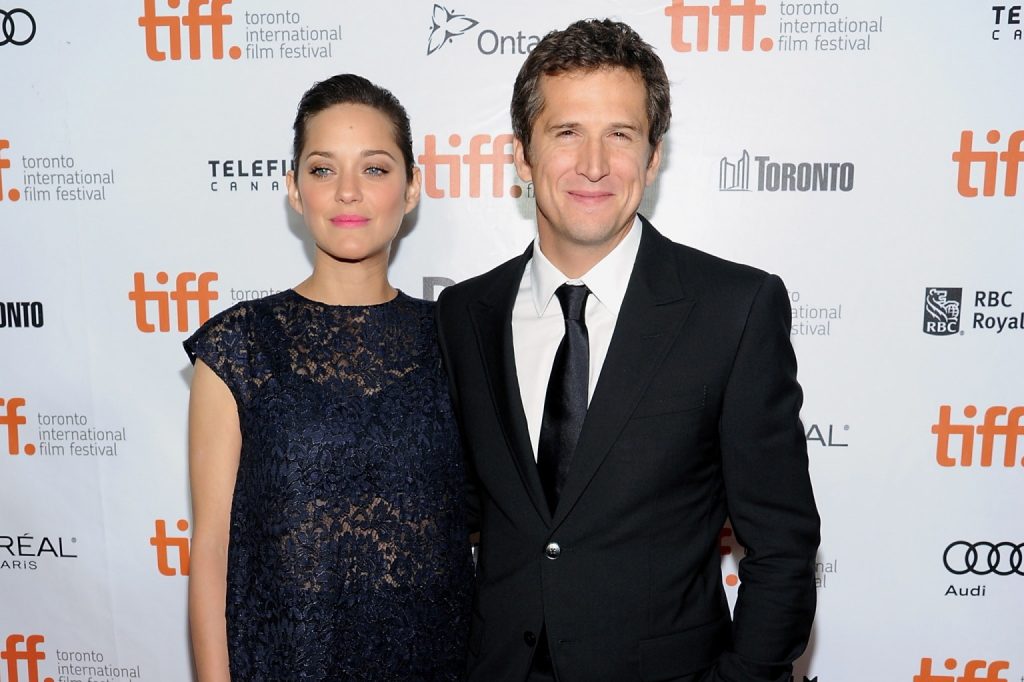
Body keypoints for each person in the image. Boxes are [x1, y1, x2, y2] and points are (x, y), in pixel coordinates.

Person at [435, 19, 820, 682]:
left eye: (620, 134)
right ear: (522, 157)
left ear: (653, 155)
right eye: (566, 133)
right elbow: (454, 513)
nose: (593, 164)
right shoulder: (464, 314)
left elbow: (782, 547)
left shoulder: (734, 308)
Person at [185, 74, 472, 681]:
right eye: (322, 170)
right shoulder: (241, 345)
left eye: (374, 169)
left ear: (412, 187)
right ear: (293, 190)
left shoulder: (458, 339)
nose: (347, 193)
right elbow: (212, 552)